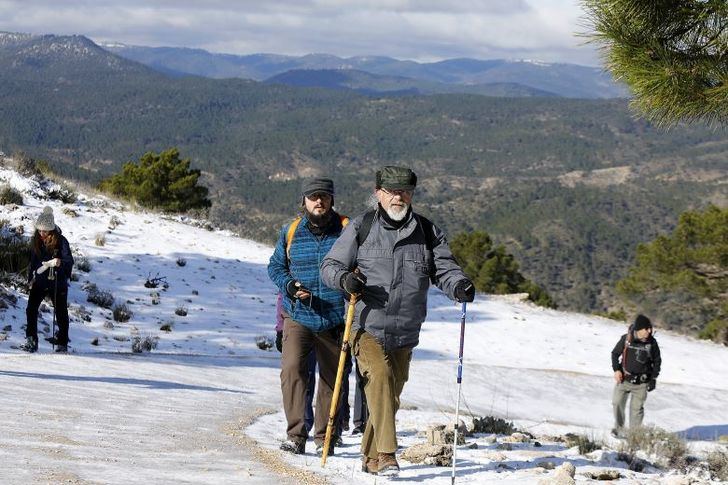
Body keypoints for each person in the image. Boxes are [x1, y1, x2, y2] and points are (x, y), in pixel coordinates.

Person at [321, 166, 475, 476]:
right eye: (391, 191)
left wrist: (458, 284)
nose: (398, 196)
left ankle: (370, 457)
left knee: (389, 396)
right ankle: (388, 454)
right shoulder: (362, 227)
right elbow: (330, 266)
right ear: (378, 193)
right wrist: (345, 280)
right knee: (378, 377)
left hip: (406, 329)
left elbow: (444, 269)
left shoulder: (428, 232)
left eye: (404, 191)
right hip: (366, 325)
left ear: (412, 194)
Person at [268, 177, 349, 456]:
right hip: (298, 314)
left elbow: (363, 267)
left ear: (332, 200)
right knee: (291, 370)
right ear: (303, 201)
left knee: (332, 378)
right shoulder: (290, 231)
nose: (319, 201)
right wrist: (289, 286)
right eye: (313, 197)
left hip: (335, 317)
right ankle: (295, 435)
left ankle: (325, 437)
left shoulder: (348, 230)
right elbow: (276, 267)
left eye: (324, 196)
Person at [21, 206, 74, 353]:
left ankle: (62, 343)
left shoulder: (61, 241)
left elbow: (69, 261)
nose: (41, 233)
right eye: (39, 230)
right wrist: (30, 278)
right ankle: (31, 341)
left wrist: (60, 263)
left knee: (61, 313)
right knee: (31, 310)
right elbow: (32, 262)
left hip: (58, 282)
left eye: (44, 231)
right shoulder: (36, 240)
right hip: (39, 281)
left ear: (51, 230)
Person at [610, 314, 662, 438]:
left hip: (642, 383)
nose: (650, 331)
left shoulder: (652, 343)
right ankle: (618, 429)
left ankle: (634, 436)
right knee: (617, 403)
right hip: (624, 380)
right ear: (639, 329)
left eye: (650, 328)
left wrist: (653, 378)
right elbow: (614, 354)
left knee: (636, 410)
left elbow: (657, 361)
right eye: (646, 329)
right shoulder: (626, 339)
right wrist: (616, 370)